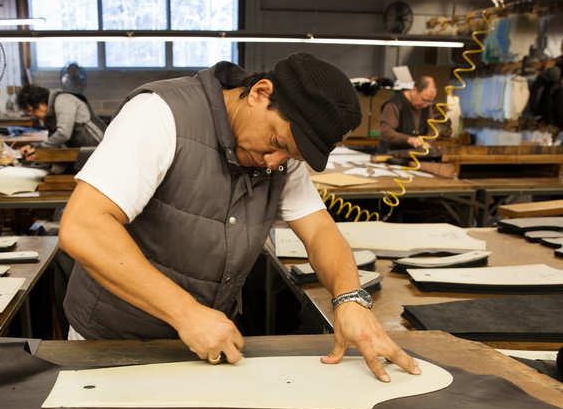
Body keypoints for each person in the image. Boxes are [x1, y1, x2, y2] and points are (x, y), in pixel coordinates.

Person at [59, 52, 422, 383]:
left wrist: (349, 300)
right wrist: (186, 313)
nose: (274, 162)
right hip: (112, 344)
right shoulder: (160, 114)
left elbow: (319, 232)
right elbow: (84, 227)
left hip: (202, 344)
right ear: (260, 93)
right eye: (277, 143)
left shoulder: (279, 154)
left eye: (288, 156)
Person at [16, 84, 107, 162]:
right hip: (82, 153)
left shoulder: (63, 101)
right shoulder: (49, 114)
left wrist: (38, 148)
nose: (33, 115)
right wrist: (33, 148)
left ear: (41, 103)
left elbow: (63, 134)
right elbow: (54, 143)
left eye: (32, 111)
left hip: (98, 149)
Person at [378, 76, 437, 153]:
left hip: (416, 155)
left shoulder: (426, 106)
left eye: (430, 101)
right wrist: (409, 139)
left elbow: (432, 130)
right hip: (392, 155)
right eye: (423, 100)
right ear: (414, 90)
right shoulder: (395, 104)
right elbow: (386, 132)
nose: (425, 105)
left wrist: (428, 142)